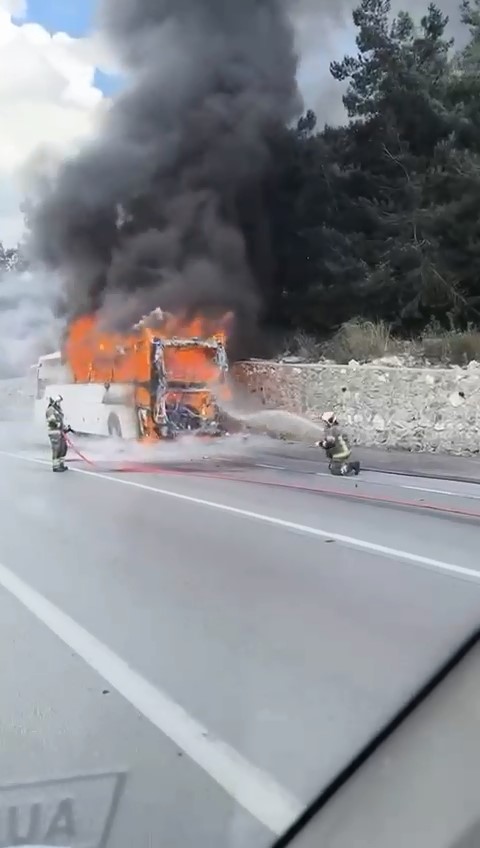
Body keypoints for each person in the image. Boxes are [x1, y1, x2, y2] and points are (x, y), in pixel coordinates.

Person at [316, 411, 360, 476]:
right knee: (332, 466)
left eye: (325, 421)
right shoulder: (336, 427)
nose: (325, 423)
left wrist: (320, 443)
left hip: (341, 453)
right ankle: (341, 464)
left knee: (335, 471)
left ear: (330, 421)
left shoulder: (333, 430)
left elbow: (330, 444)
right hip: (344, 450)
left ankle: (351, 466)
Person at [45, 396, 71, 473]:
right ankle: (56, 466)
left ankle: (61, 464)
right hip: (54, 433)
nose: (59, 403)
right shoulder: (50, 410)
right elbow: (52, 422)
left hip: (60, 432)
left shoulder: (57, 410)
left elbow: (60, 421)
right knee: (57, 449)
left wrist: (65, 428)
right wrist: (60, 426)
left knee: (63, 448)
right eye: (58, 402)